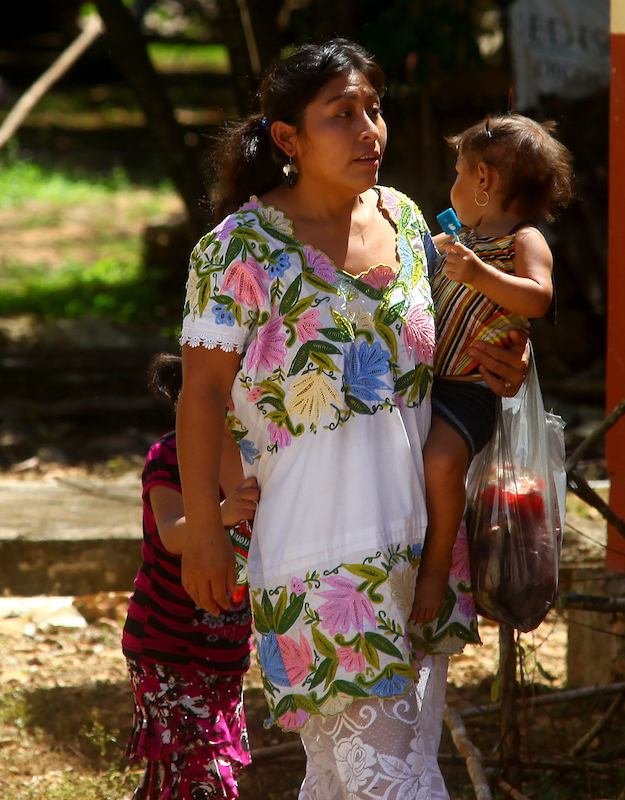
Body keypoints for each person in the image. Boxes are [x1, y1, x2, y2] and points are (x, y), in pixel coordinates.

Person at [174, 39, 529, 799]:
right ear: (288, 139)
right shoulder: (238, 250)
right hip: (320, 563)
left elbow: (445, 355)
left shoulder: (404, 221)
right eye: (344, 115)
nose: (371, 130)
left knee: (347, 781)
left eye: (375, 110)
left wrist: (504, 364)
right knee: (396, 785)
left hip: (422, 553)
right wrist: (203, 527)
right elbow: (201, 394)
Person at [410, 114, 572, 623]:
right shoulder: (460, 240)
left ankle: (436, 569)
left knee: (439, 461)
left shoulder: (524, 241)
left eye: (459, 172)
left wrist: (479, 274)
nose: (451, 185)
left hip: (470, 391)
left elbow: (540, 297)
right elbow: (408, 258)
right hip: (427, 383)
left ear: (484, 179)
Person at [122, 352, 260, 800]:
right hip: (165, 642)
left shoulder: (256, 452)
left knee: (190, 772)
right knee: (203, 774)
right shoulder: (170, 455)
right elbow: (173, 534)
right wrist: (219, 514)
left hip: (227, 648)